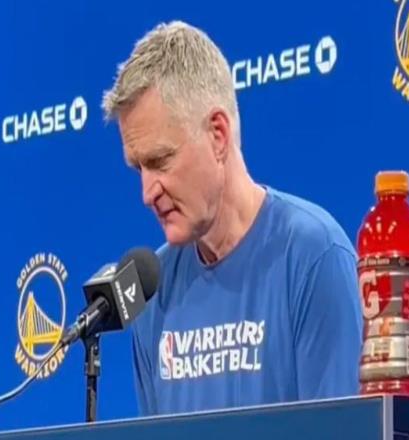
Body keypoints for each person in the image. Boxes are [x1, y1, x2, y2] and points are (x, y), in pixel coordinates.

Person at [102, 21, 363, 416]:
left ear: (218, 135)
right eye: (138, 168)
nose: (147, 192)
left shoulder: (314, 257)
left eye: (160, 161)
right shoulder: (153, 291)